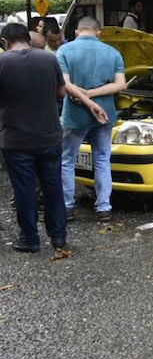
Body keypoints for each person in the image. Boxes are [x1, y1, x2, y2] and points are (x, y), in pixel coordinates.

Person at [0, 23, 105, 253]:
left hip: (16, 139)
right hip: (49, 136)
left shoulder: (3, 62)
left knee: (25, 190)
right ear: (27, 38)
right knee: (53, 187)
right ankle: (59, 237)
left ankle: (30, 239)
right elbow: (60, 92)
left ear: (5, 42)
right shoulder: (49, 59)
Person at [57, 17, 127, 222]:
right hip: (104, 113)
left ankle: (67, 206)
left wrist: (83, 95)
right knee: (103, 158)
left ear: (77, 32)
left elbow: (65, 83)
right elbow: (121, 84)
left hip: (74, 114)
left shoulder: (64, 51)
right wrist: (94, 94)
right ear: (99, 32)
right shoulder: (113, 53)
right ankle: (104, 207)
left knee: (67, 159)